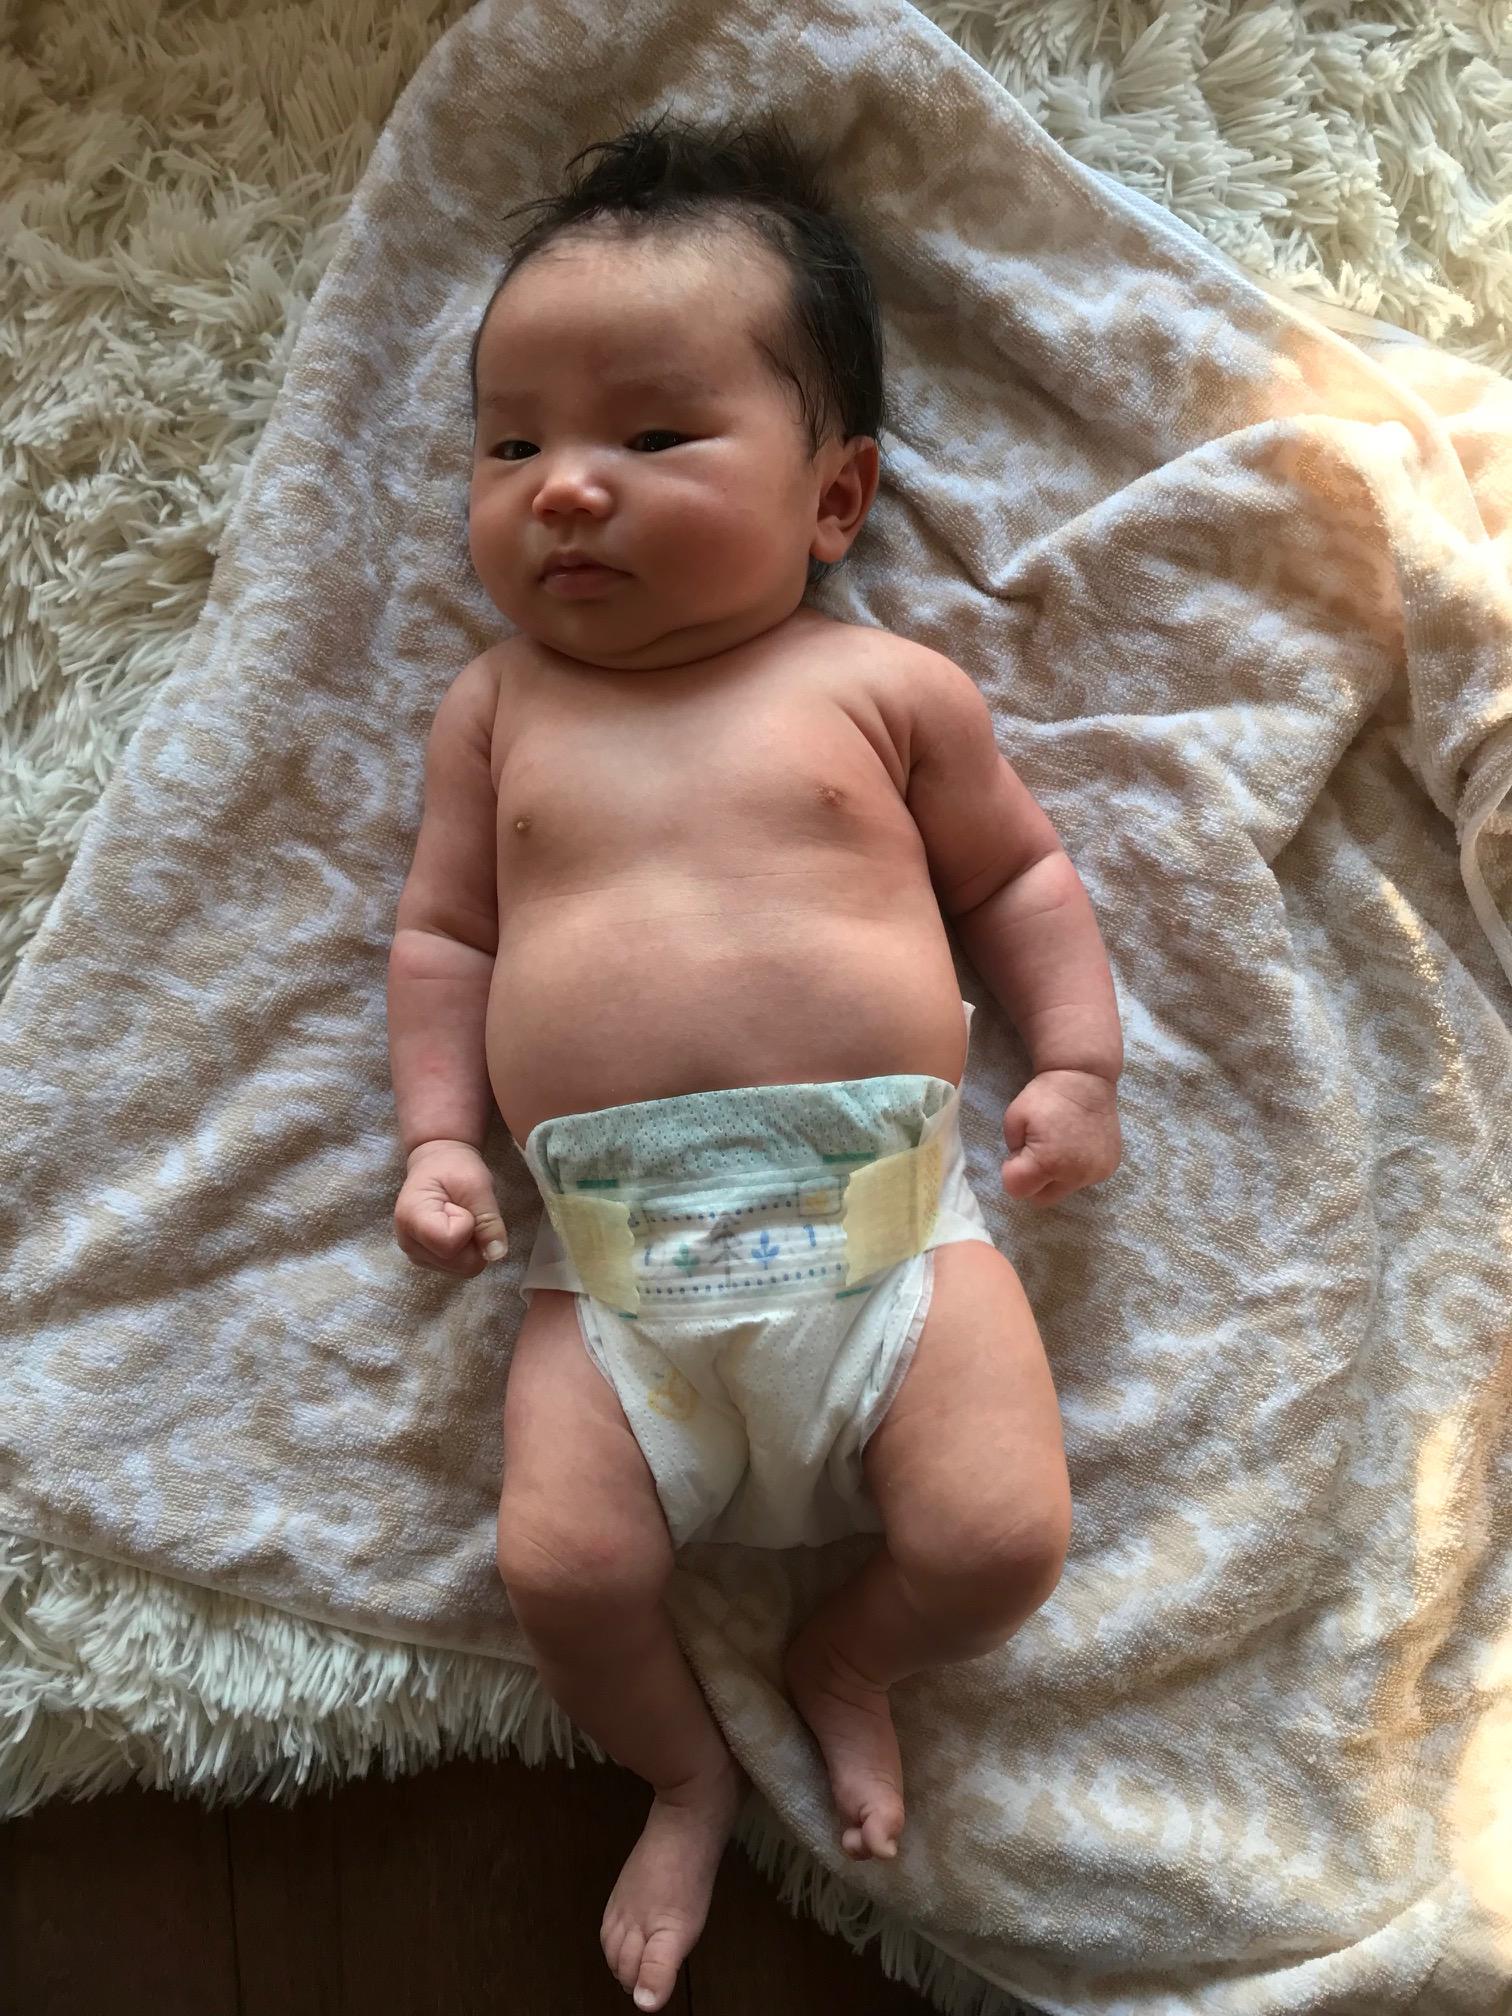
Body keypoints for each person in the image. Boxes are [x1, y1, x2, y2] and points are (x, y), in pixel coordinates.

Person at [387, 106, 1122, 2015]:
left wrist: (1079, 1064)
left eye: (652, 437)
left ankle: (849, 1656)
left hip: (890, 1238)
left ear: (834, 498)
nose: (565, 487)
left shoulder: (879, 689)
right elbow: (447, 940)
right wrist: (440, 1140)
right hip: (614, 1273)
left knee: (1002, 1537)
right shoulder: (498, 708)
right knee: (564, 1570)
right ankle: (686, 1772)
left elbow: (1019, 877)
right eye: (512, 445)